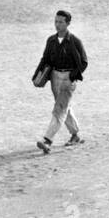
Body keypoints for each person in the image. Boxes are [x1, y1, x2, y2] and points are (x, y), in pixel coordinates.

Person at [33, 9, 88, 153]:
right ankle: (75, 134)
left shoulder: (75, 41)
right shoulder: (51, 40)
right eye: (56, 21)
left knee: (59, 110)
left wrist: (73, 76)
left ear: (68, 23)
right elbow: (45, 59)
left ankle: (47, 140)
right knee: (64, 107)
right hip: (54, 78)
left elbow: (84, 62)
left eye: (61, 22)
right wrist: (37, 76)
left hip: (68, 80)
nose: (57, 24)